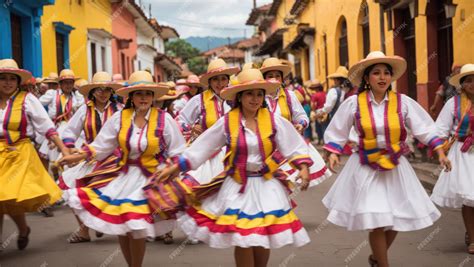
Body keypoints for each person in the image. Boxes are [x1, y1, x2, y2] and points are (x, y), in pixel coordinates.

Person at [156, 69, 313, 267]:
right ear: (239, 96)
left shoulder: (274, 121)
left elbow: (293, 145)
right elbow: (203, 146)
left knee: (262, 237)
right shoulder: (228, 122)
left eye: (259, 94)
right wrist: (176, 167)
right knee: (244, 239)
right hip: (237, 186)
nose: (255, 99)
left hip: (267, 186)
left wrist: (304, 169)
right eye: (249, 93)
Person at [322, 51, 451, 267]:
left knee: (399, 216)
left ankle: (375, 258)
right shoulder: (354, 103)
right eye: (376, 73)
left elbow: (425, 128)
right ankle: (383, 263)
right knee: (378, 221)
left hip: (395, 166)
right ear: (366, 78)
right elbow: (337, 130)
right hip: (365, 166)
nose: (382, 77)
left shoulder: (402, 102)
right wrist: (333, 152)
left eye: (386, 73)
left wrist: (440, 151)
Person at [59, 70, 185, 267]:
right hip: (125, 176)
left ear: (153, 96)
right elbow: (101, 145)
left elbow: (178, 150)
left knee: (136, 226)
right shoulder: (121, 117)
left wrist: (172, 171)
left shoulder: (164, 119)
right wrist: (78, 155)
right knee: (124, 227)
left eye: (147, 93)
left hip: (153, 178)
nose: (143, 97)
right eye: (139, 93)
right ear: (131, 97)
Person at [0, 59, 70, 251]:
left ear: (17, 81)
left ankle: (23, 230)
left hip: (18, 154)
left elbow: (46, 125)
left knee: (9, 196)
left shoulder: (26, 99)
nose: (7, 83)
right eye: (3, 78)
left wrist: (63, 149)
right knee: (3, 198)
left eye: (11, 79)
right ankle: (20, 231)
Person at [59, 72, 123, 243]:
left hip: (115, 158)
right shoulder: (84, 109)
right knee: (74, 192)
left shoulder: (119, 109)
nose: (103, 93)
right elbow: (71, 131)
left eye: (106, 90)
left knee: (113, 193)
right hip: (90, 158)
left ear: (111, 91)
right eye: (99, 90)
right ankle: (84, 229)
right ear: (93, 91)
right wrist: (70, 147)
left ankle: (107, 225)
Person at [260, 58, 332, 188]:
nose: (274, 79)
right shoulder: (258, 97)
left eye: (277, 76)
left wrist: (301, 124)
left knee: (286, 186)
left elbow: (302, 116)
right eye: (270, 76)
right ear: (264, 78)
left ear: (282, 79)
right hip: (266, 148)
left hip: (286, 146)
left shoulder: (290, 96)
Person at [431, 63, 474, 253]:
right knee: (468, 196)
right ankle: (472, 238)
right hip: (463, 153)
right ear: (462, 84)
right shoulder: (454, 103)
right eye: (469, 81)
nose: (473, 84)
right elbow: (440, 129)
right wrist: (439, 149)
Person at [176, 58, 239, 184]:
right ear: (210, 81)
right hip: (208, 155)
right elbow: (179, 121)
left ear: (228, 80)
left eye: (223, 79)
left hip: (234, 153)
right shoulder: (199, 100)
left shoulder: (237, 99)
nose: (220, 83)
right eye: (215, 79)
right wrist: (191, 128)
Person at [308, 79, 327, 145]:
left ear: (317, 88)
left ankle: (320, 140)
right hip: (325, 112)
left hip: (318, 112)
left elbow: (313, 105)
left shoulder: (315, 95)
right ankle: (325, 141)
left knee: (318, 127)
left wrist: (313, 111)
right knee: (325, 126)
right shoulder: (325, 93)